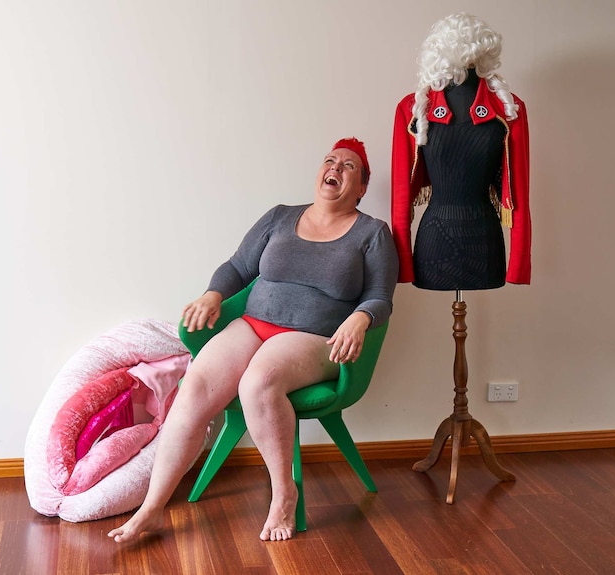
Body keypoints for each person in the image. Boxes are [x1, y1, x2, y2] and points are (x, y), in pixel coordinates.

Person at [108, 138, 397, 543]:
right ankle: (152, 508)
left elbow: (381, 297)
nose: (336, 168)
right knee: (194, 387)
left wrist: (361, 318)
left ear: (362, 186)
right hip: (253, 324)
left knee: (258, 383)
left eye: (349, 166)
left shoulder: (372, 233)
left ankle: (284, 496)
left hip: (314, 337)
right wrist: (213, 294)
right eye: (330, 160)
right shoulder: (280, 217)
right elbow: (239, 267)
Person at [391, 12, 531, 289]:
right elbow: (401, 196)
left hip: (485, 243)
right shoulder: (411, 110)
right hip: (434, 243)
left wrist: (518, 264)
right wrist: (402, 263)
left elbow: (519, 194)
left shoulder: (510, 109)